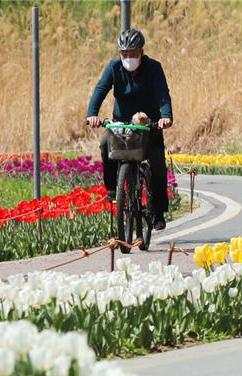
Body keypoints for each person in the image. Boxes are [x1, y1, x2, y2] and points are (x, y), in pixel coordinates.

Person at [86, 28, 173, 231]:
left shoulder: (153, 68)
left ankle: (158, 211)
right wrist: (92, 113)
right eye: (124, 54)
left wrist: (166, 117)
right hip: (122, 125)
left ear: (141, 52)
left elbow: (163, 95)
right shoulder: (114, 68)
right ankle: (112, 188)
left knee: (157, 162)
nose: (128, 58)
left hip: (147, 124)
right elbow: (100, 89)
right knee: (105, 143)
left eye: (133, 54)